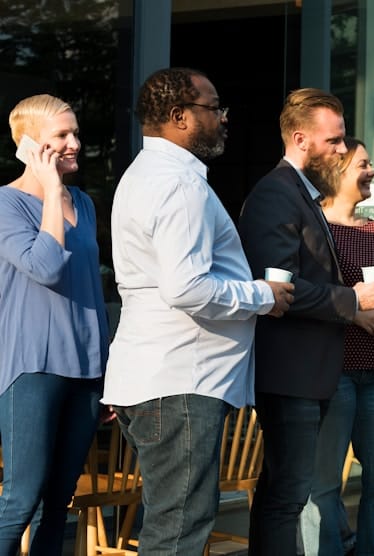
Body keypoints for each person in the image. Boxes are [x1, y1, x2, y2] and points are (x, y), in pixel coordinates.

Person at [102, 67, 294, 555]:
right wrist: (262, 295)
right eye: (214, 108)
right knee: (180, 530)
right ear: (178, 116)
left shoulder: (145, 175)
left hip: (164, 376)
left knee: (174, 524)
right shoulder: (178, 185)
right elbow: (186, 287)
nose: (223, 119)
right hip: (181, 379)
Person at [237, 89, 374, 555]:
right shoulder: (276, 195)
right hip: (292, 373)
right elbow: (275, 286)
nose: (343, 150)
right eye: (335, 140)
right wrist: (351, 300)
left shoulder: (302, 194)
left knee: (286, 495)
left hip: (309, 371)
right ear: (301, 139)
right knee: (287, 498)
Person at [0, 94, 109, 555]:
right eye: (61, 136)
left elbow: (91, 290)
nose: (75, 143)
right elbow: (44, 267)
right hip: (33, 368)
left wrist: (107, 373)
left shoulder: (83, 203)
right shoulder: (6, 203)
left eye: (75, 133)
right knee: (21, 499)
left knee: (57, 502)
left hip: (85, 372)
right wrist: (48, 187)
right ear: (29, 145)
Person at [299, 137, 374, 556]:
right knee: (325, 482)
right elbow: (311, 293)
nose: (372, 171)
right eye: (364, 164)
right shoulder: (314, 227)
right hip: (335, 371)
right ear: (338, 171)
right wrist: (352, 312)